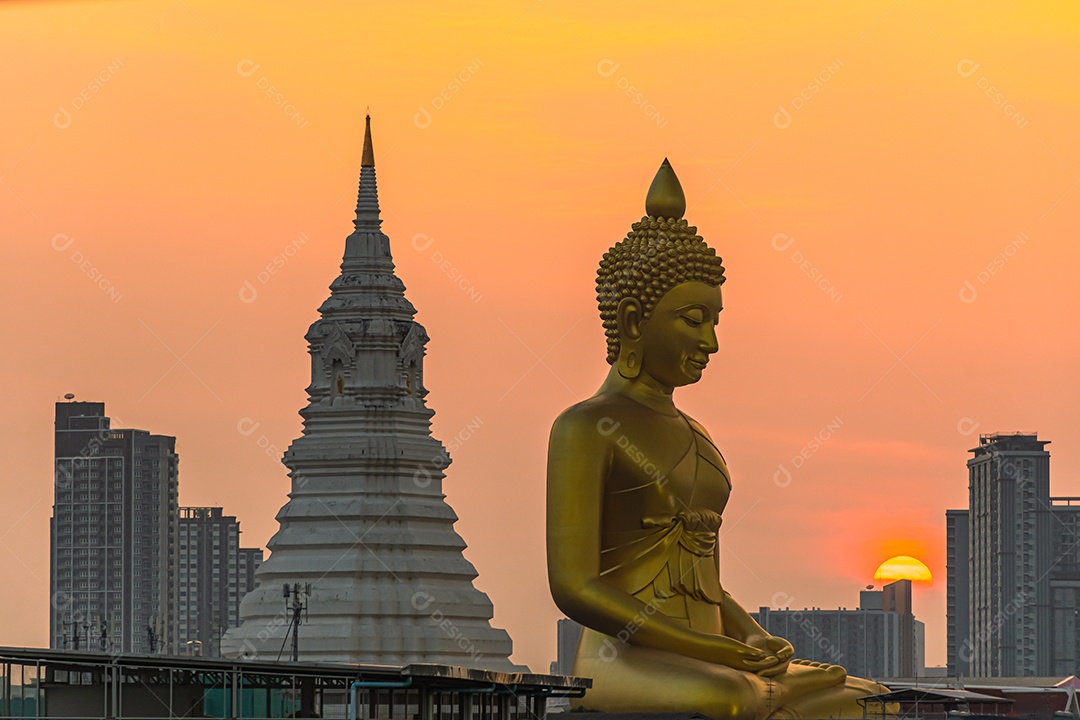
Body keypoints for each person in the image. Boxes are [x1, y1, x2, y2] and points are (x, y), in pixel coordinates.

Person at [546, 160, 888, 720]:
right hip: (624, 656)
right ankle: (772, 694)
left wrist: (750, 637)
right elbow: (575, 586)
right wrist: (710, 650)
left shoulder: (697, 436)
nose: (711, 341)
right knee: (728, 700)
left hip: (712, 655)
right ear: (632, 320)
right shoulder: (586, 426)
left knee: (872, 700)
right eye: (694, 319)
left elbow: (706, 582)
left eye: (715, 321)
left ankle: (772, 692)